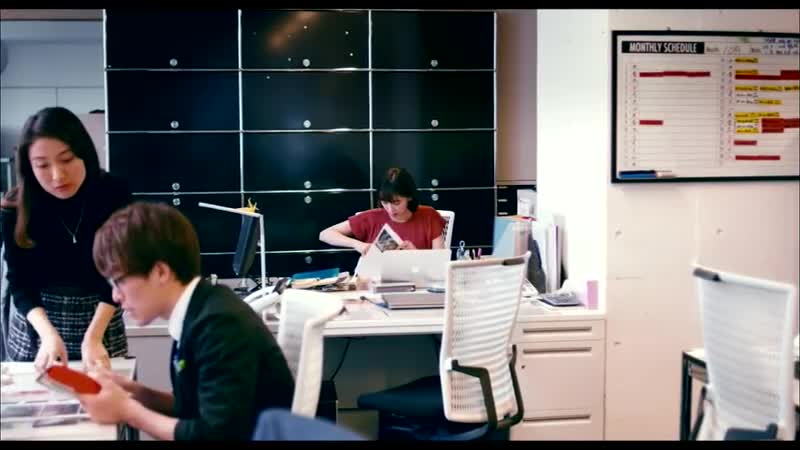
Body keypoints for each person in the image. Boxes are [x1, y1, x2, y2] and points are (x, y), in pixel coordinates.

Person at [78, 201, 294, 440]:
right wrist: (133, 391)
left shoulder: (219, 325)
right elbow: (191, 406)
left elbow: (214, 435)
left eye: (118, 281)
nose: (115, 296)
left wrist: (127, 411)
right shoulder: (198, 308)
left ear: (160, 272)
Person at [0, 106, 132, 371]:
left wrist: (94, 336)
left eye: (67, 159)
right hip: (37, 320)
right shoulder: (15, 208)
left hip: (100, 316)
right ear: (29, 167)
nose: (57, 176)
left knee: (108, 391)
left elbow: (121, 271)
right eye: (42, 165)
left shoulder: (114, 194)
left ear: (84, 154)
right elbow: (20, 282)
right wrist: (48, 335)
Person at [319, 167, 446, 254]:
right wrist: (358, 244)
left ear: (409, 196)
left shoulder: (429, 216)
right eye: (385, 202)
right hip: (376, 282)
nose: (390, 209)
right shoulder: (372, 218)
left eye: (396, 202)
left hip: (418, 282)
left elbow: (440, 263)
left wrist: (415, 254)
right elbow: (325, 234)